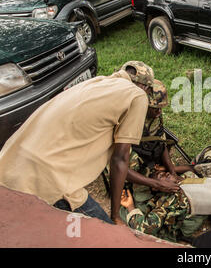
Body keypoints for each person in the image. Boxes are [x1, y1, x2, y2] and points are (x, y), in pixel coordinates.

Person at [0, 61, 156, 225]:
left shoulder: (96, 83)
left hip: (10, 162)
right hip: (48, 177)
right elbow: (120, 160)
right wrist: (115, 215)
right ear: (145, 87)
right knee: (108, 236)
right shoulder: (137, 95)